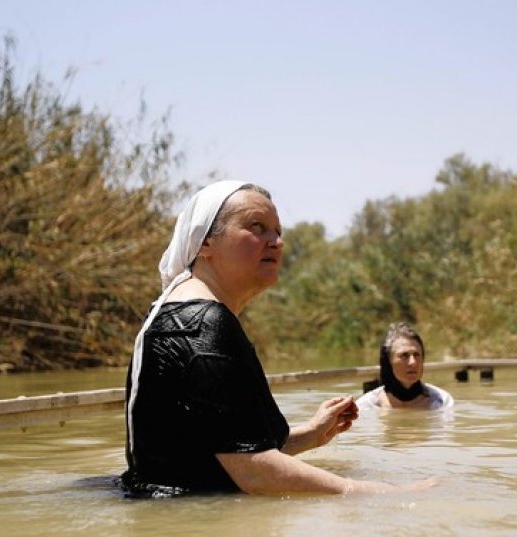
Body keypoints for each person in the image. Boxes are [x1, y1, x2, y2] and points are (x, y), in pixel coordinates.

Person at [120, 180, 435, 497]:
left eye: (277, 231)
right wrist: (384, 492)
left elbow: (216, 449)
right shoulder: (203, 323)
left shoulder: (178, 313)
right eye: (256, 227)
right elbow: (255, 471)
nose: (276, 242)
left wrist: (311, 434)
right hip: (190, 534)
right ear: (204, 243)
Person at [356, 322, 454, 410]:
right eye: (404, 355)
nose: (413, 362)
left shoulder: (442, 402)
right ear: (388, 362)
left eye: (416, 355)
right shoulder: (366, 407)